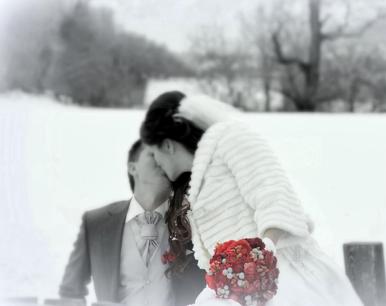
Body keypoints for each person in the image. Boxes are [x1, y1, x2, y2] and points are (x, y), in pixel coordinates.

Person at [139, 91, 363, 306]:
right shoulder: (196, 182)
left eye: (153, 153)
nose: (155, 162)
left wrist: (259, 256)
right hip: (243, 290)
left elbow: (274, 196)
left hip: (285, 278)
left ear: (167, 145)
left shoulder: (231, 138)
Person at [59, 140, 205, 306]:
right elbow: (70, 291)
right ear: (133, 168)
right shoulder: (95, 222)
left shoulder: (195, 222)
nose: (164, 161)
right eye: (154, 154)